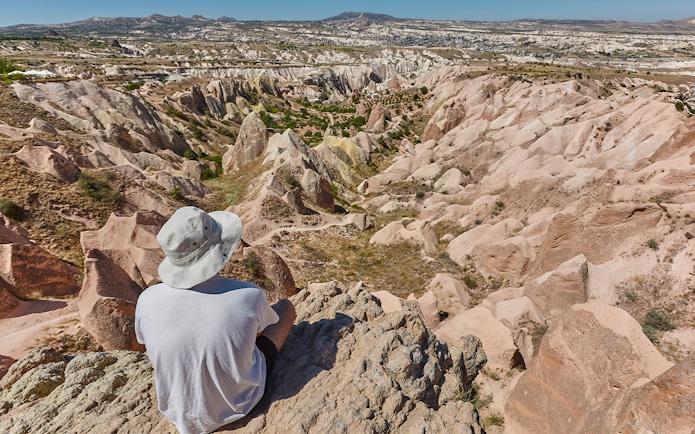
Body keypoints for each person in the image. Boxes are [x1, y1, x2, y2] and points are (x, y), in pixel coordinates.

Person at [135, 206, 296, 434]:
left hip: (177, 411)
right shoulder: (248, 295)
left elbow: (145, 343)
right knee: (286, 307)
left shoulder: (147, 299)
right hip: (241, 402)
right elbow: (260, 333)